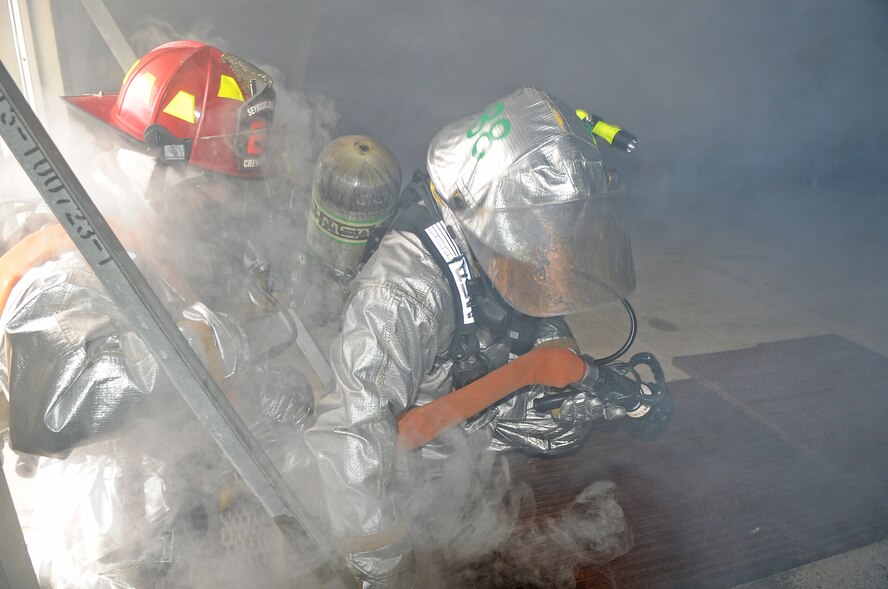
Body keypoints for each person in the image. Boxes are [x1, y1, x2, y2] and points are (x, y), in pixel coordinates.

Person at [305, 86, 673, 587]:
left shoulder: (484, 232)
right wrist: (385, 567)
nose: (553, 251)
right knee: (381, 481)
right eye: (546, 234)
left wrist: (601, 390)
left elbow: (534, 314)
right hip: (409, 431)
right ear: (496, 219)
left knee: (561, 419)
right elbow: (350, 434)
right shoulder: (403, 291)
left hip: (454, 389)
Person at [0, 40, 314, 588]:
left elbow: (171, 404)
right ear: (154, 161)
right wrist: (225, 341)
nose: (217, 203)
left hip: (163, 538)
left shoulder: (153, 241)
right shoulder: (70, 248)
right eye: (208, 184)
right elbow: (55, 407)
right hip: (99, 557)